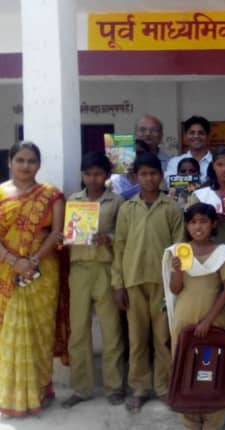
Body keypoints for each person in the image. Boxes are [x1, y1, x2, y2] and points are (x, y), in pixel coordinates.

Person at [112, 152, 184, 412]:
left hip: (162, 282)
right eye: (143, 174)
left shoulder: (171, 207)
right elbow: (119, 247)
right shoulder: (127, 208)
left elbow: (179, 247)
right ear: (135, 177)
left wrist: (176, 280)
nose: (149, 178)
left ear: (161, 176)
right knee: (137, 338)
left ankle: (164, 387)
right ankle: (140, 388)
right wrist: (118, 284)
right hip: (133, 280)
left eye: (153, 173)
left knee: (163, 338)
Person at [0, 142, 65, 416]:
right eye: (20, 160)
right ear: (10, 162)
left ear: (39, 165)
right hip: (7, 271)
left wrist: (33, 261)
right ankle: (10, 396)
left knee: (40, 331)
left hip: (43, 271)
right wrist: (14, 261)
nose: (26, 166)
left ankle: (39, 391)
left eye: (31, 161)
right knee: (9, 331)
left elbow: (57, 233)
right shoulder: (0, 193)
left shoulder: (51, 195)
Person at [62, 153, 125, 409]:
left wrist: (108, 238)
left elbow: (123, 234)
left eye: (98, 173)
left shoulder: (116, 201)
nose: (93, 178)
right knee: (78, 330)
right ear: (82, 175)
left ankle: (114, 386)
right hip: (79, 268)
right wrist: (67, 237)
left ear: (107, 175)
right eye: (88, 173)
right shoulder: (73, 200)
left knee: (111, 330)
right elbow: (67, 233)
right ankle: (81, 388)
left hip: (106, 268)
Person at [167, 203, 225, 430]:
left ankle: (213, 423)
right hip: (184, 320)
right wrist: (178, 270)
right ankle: (190, 423)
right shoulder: (179, 252)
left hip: (214, 322)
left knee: (213, 369)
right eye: (193, 222)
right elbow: (175, 289)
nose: (198, 227)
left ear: (213, 224)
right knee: (185, 370)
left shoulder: (221, 253)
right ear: (187, 226)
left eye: (204, 221)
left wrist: (207, 321)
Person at [189, 145, 225, 247]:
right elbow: (193, 226)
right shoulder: (201, 196)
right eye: (219, 165)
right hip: (210, 249)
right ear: (213, 166)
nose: (224, 169)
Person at [165, 116, 213, 183]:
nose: (196, 136)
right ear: (185, 137)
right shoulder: (175, 162)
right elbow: (171, 184)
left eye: (201, 133)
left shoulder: (217, 162)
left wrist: (184, 181)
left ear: (208, 137)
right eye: (192, 133)